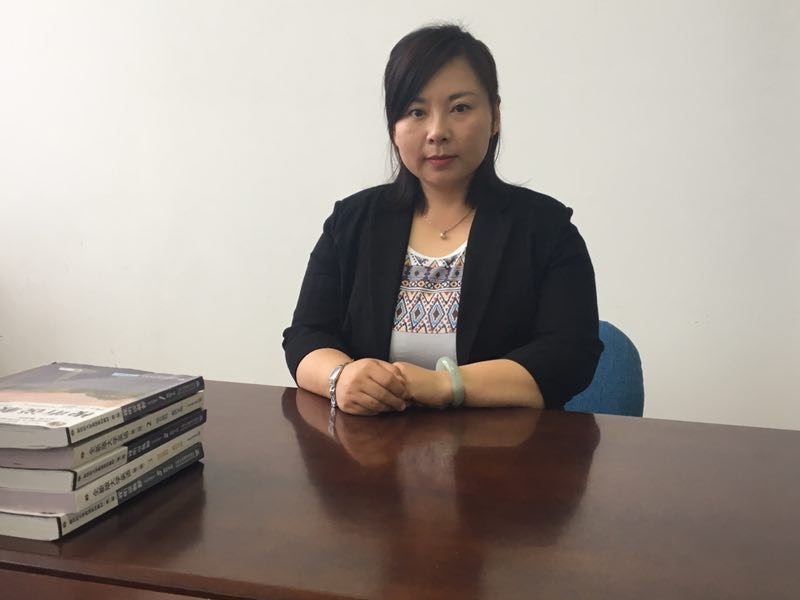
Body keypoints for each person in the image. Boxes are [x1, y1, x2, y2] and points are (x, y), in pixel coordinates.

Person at [283, 23, 602, 416]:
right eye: (416, 112)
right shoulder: (351, 223)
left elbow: (570, 354)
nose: (437, 132)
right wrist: (340, 377)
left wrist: (446, 384)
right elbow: (306, 335)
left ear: (495, 116)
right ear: (393, 127)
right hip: (370, 448)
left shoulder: (546, 228)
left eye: (460, 108)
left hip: (506, 449)